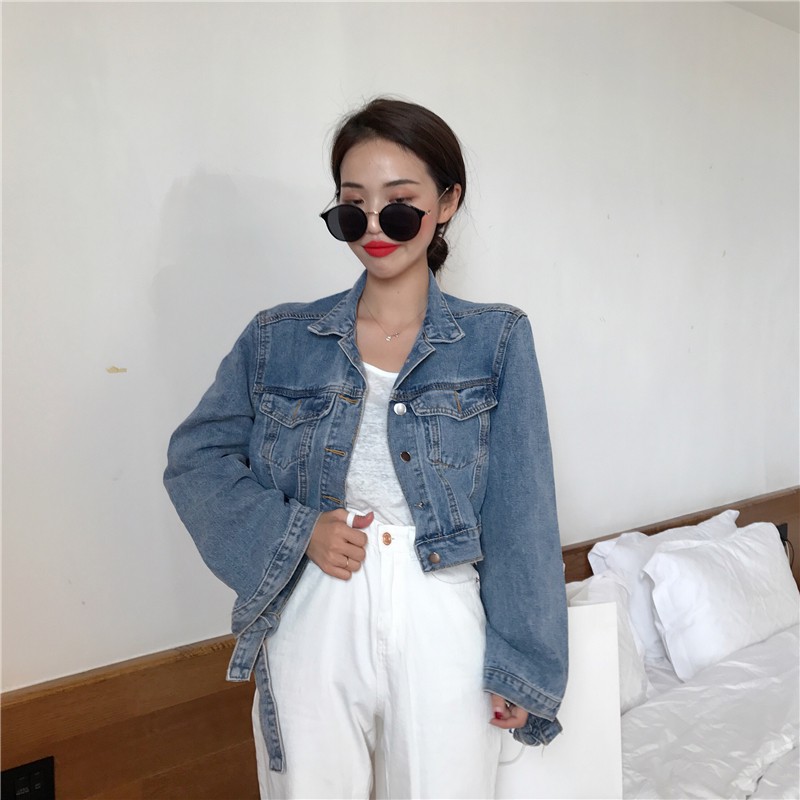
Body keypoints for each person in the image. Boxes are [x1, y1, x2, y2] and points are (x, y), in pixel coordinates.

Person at [164, 97, 568, 799]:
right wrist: (298, 532)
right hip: (317, 602)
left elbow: (521, 510)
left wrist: (525, 662)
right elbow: (195, 459)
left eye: (400, 205)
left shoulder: (496, 339)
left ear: (446, 203)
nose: (375, 227)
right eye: (353, 209)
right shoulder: (278, 339)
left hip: (439, 604)